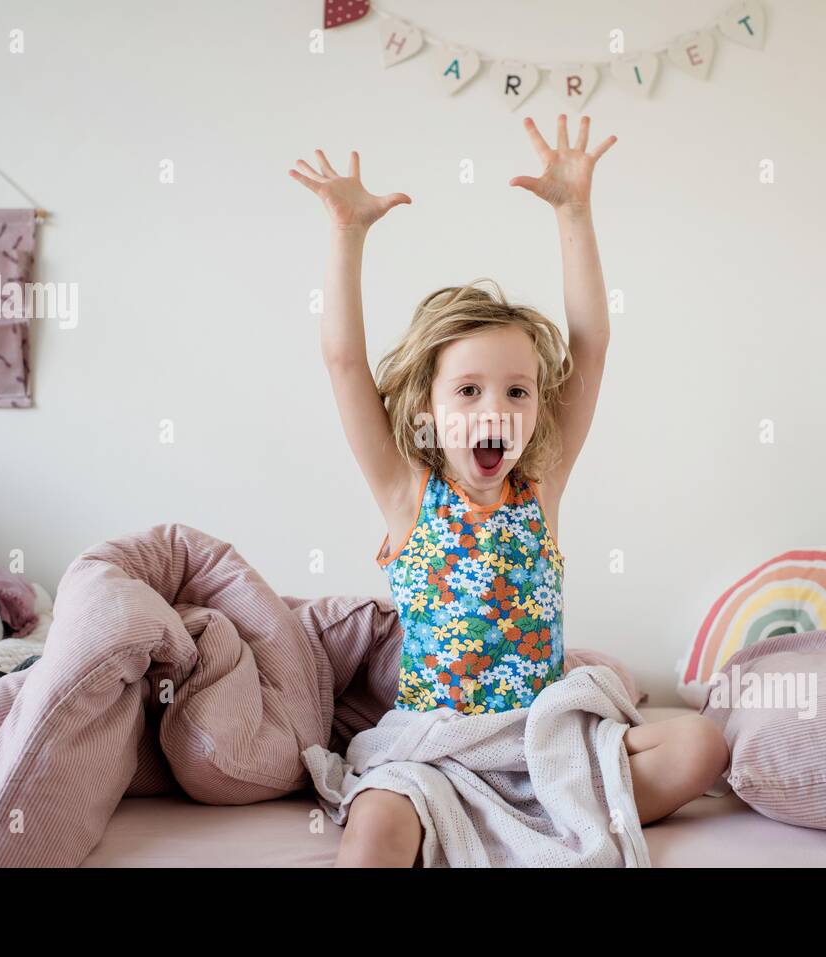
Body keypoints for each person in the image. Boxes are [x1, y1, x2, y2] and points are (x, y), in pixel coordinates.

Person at [290, 115, 730, 866]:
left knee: (700, 743)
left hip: (539, 739)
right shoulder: (408, 493)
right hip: (436, 749)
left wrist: (574, 212)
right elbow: (342, 362)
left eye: (518, 390)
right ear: (427, 407)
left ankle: (555, 810)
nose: (496, 410)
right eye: (468, 390)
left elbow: (591, 341)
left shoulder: (540, 489)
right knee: (376, 827)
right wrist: (348, 233)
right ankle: (458, 818)